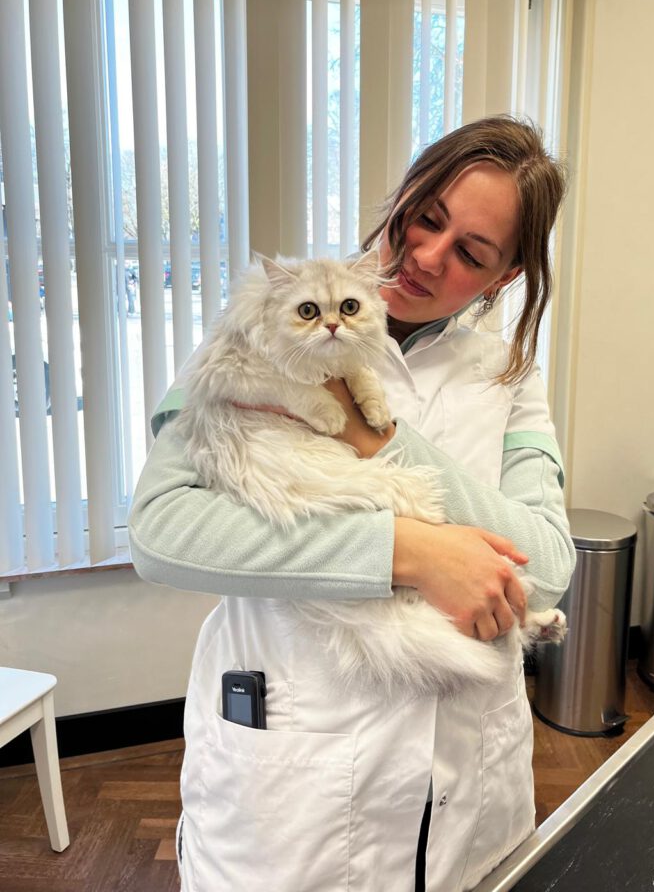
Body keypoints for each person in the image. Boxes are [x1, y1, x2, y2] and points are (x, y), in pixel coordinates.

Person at [128, 115, 576, 892]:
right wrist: (405, 552)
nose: (425, 256)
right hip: (292, 780)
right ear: (402, 194)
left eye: (470, 253)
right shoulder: (261, 326)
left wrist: (381, 438)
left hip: (469, 780)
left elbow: (551, 565)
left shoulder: (508, 373)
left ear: (503, 279)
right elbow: (161, 530)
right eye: (425, 218)